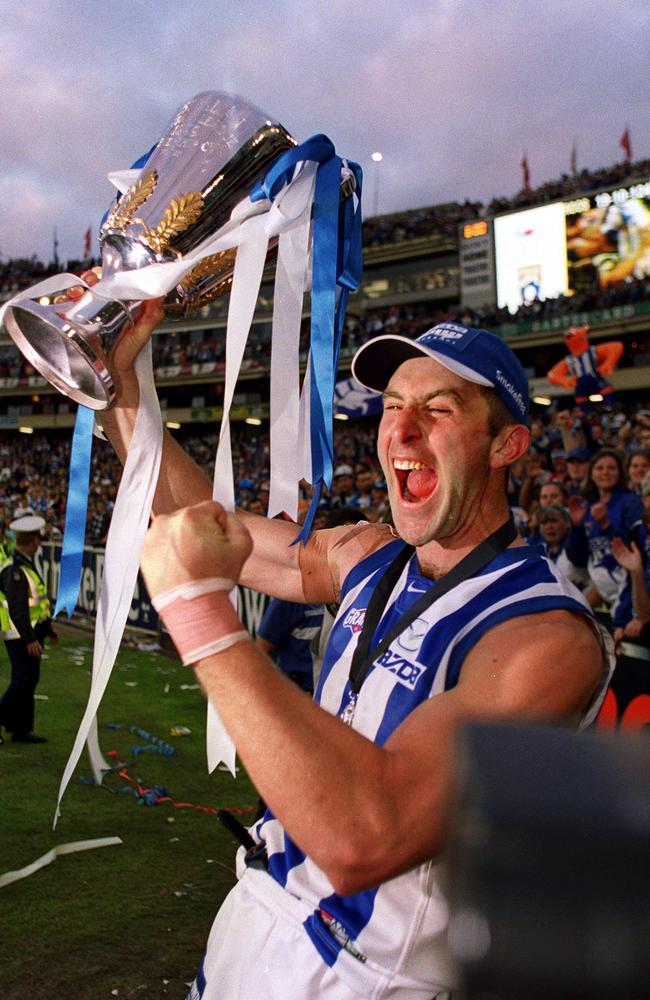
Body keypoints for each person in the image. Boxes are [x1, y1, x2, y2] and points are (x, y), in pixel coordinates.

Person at [86, 282, 611, 997]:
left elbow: (372, 832)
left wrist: (198, 612)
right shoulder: (367, 555)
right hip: (258, 920)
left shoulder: (543, 636)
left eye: (439, 408)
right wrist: (116, 384)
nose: (401, 430)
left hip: (372, 977)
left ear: (507, 444)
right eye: (394, 407)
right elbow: (198, 521)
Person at [0, 513, 56, 744]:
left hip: (29, 634)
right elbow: (18, 610)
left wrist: (48, 628)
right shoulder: (15, 570)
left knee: (28, 680)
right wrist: (30, 638)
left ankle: (21, 729)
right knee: (23, 681)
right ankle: (13, 724)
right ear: (33, 541)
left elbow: (36, 603)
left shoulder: (23, 564)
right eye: (38, 540)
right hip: (20, 635)